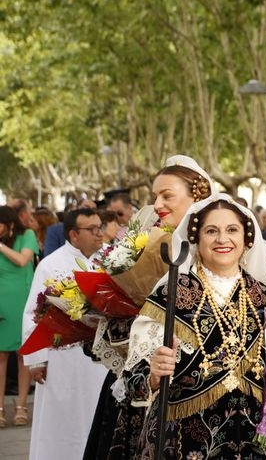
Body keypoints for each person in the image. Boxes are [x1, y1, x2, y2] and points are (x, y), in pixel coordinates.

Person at [124, 194, 266, 459]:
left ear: (247, 239)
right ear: (197, 239)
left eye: (232, 230)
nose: (222, 239)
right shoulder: (171, 295)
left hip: (259, 442)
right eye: (211, 231)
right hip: (183, 441)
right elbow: (134, 375)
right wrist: (154, 375)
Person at [84, 154, 216, 460]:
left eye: (167, 195)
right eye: (155, 196)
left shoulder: (222, 254)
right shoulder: (152, 246)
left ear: (197, 196)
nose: (157, 204)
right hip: (152, 394)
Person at [21, 207, 108, 460]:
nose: (99, 233)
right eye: (92, 229)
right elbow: (32, 314)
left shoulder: (111, 260)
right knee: (62, 421)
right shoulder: (51, 264)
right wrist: (37, 359)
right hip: (63, 360)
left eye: (100, 226)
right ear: (73, 234)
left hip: (101, 357)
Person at [0, 206, 39, 427]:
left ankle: (22, 406)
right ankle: (0, 408)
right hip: (1, 303)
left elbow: (22, 260)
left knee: (23, 354)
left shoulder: (27, 235)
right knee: (0, 356)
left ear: (10, 224)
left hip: (23, 301)